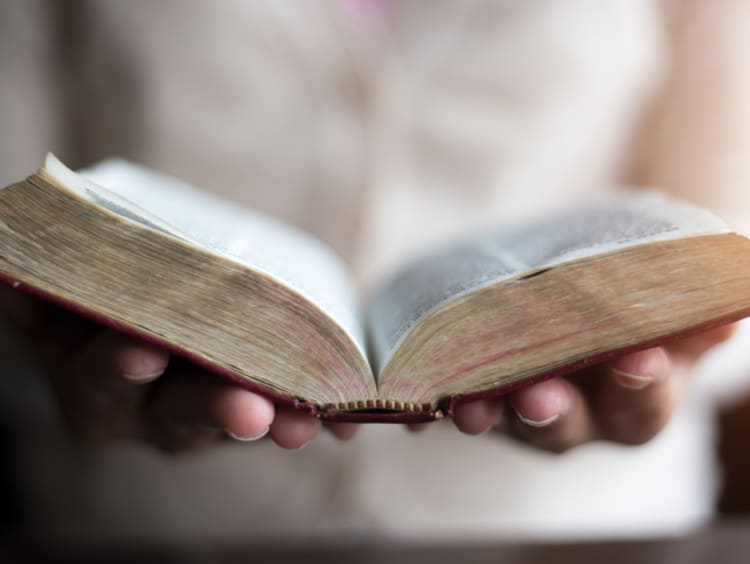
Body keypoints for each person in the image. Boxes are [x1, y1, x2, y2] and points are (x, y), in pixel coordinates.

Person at [1, 0, 749, 541]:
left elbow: (725, 236)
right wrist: (42, 357)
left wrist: (676, 356)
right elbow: (22, 215)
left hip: (574, 539)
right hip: (149, 530)